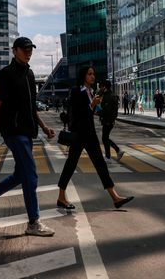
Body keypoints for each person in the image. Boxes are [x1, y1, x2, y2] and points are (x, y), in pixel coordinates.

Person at [0, 37, 57, 237]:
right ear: (15, 51)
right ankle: (33, 222)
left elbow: (31, 107)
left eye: (31, 49)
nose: (29, 52)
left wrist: (44, 127)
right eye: (25, 49)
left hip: (28, 131)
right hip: (13, 131)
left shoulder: (29, 74)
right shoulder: (6, 74)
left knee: (21, 175)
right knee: (31, 176)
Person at [56, 66, 134, 212]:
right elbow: (77, 114)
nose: (93, 77)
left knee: (100, 165)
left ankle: (115, 197)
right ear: (83, 76)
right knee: (71, 165)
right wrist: (92, 105)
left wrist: (97, 108)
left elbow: (90, 112)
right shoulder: (76, 91)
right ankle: (61, 196)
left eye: (94, 74)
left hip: (90, 134)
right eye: (90, 74)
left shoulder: (91, 92)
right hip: (79, 134)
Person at [98, 80, 124, 163]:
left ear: (104, 87)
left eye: (101, 86)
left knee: (104, 138)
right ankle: (116, 151)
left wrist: (98, 112)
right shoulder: (109, 95)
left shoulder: (108, 96)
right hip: (109, 119)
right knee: (105, 138)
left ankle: (110, 156)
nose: (100, 88)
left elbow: (107, 110)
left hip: (108, 120)